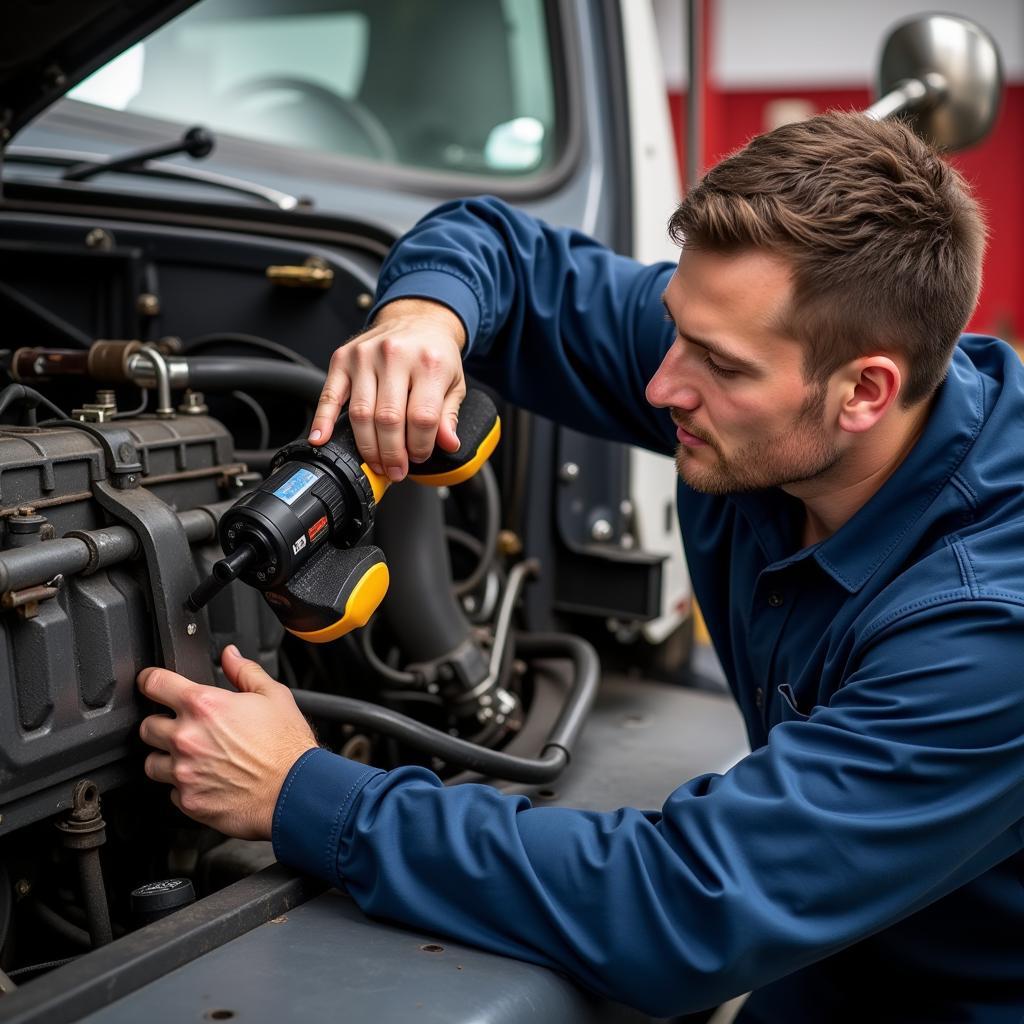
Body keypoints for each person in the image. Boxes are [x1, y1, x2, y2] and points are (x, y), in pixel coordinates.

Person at [136, 113, 1024, 1022]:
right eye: (676, 329)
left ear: (865, 391)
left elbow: (688, 907)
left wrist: (306, 794)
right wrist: (424, 322)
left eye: (716, 364)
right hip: (823, 967)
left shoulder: (989, 631)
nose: (660, 383)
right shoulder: (771, 370)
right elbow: (502, 253)